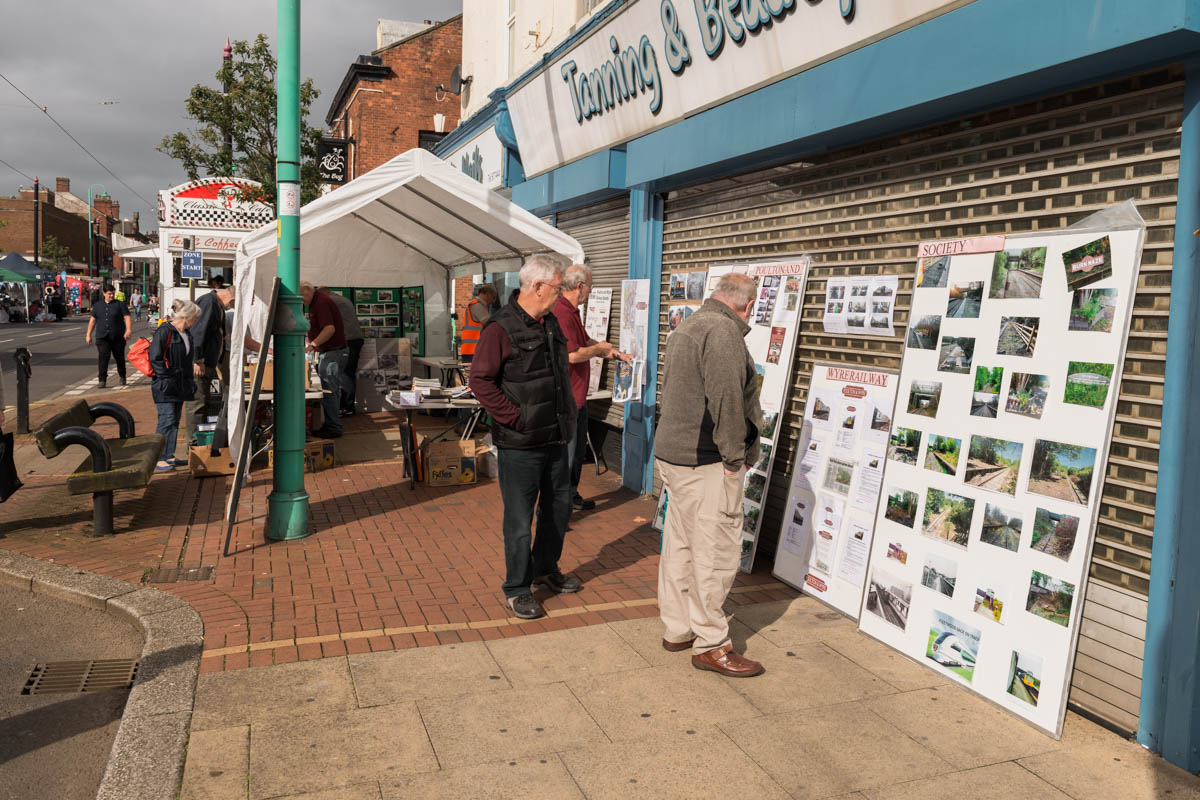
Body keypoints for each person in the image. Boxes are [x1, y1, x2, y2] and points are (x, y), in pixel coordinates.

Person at [655, 272, 765, 678]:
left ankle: (679, 628)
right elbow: (726, 400)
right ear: (748, 305)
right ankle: (711, 643)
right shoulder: (721, 332)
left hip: (678, 456)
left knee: (681, 545)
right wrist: (735, 457)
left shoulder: (691, 325)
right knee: (715, 552)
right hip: (706, 461)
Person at [468, 255, 579, 620]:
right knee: (519, 520)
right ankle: (517, 588)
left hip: (555, 438)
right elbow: (480, 381)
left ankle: (545, 568)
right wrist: (515, 418)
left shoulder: (549, 323)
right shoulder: (500, 328)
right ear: (537, 287)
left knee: (557, 510)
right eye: (558, 287)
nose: (560, 293)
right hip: (520, 443)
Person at [551, 264, 631, 511]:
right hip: (569, 399)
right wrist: (597, 351)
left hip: (579, 397)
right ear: (579, 287)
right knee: (567, 456)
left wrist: (613, 353)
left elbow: (584, 340)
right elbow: (572, 355)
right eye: (590, 286)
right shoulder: (562, 312)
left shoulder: (572, 311)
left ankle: (571, 496)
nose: (590, 290)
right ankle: (559, 510)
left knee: (576, 455)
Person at [149, 299, 200, 472]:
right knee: (167, 419)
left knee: (174, 420)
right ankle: (159, 457)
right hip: (166, 385)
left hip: (180, 384)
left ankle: (168, 454)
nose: (195, 321)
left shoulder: (185, 333)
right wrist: (166, 376)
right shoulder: (165, 331)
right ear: (186, 317)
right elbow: (154, 357)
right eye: (194, 318)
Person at [186, 285, 235, 445]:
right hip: (201, 363)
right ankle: (194, 443)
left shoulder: (215, 304)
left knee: (207, 401)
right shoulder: (209, 303)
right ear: (231, 298)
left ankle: (202, 440)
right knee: (198, 403)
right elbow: (198, 332)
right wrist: (197, 360)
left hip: (208, 363)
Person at [299, 281, 347, 439]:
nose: (300, 299)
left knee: (329, 390)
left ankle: (334, 427)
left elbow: (329, 329)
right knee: (328, 389)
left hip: (332, 352)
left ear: (307, 290)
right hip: (329, 351)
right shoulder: (316, 302)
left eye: (300, 294)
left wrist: (312, 345)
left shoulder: (320, 302)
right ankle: (331, 424)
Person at [320, 287, 363, 415]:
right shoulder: (342, 299)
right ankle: (346, 406)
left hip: (349, 340)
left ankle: (347, 407)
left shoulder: (329, 300)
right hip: (355, 339)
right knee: (348, 374)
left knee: (346, 374)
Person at [85, 284, 132, 388]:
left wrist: (128, 330)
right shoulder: (97, 306)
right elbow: (92, 321)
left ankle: (122, 375)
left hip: (118, 336)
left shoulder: (120, 305)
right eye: (109, 294)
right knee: (103, 358)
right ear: (104, 294)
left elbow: (127, 317)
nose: (111, 296)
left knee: (119, 357)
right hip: (102, 337)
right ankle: (102, 380)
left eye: (113, 294)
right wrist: (88, 334)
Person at [458, 284, 498, 363]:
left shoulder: (478, 306)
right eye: (493, 297)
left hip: (471, 350)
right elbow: (489, 324)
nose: (493, 301)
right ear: (487, 294)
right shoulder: (477, 306)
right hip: (473, 351)